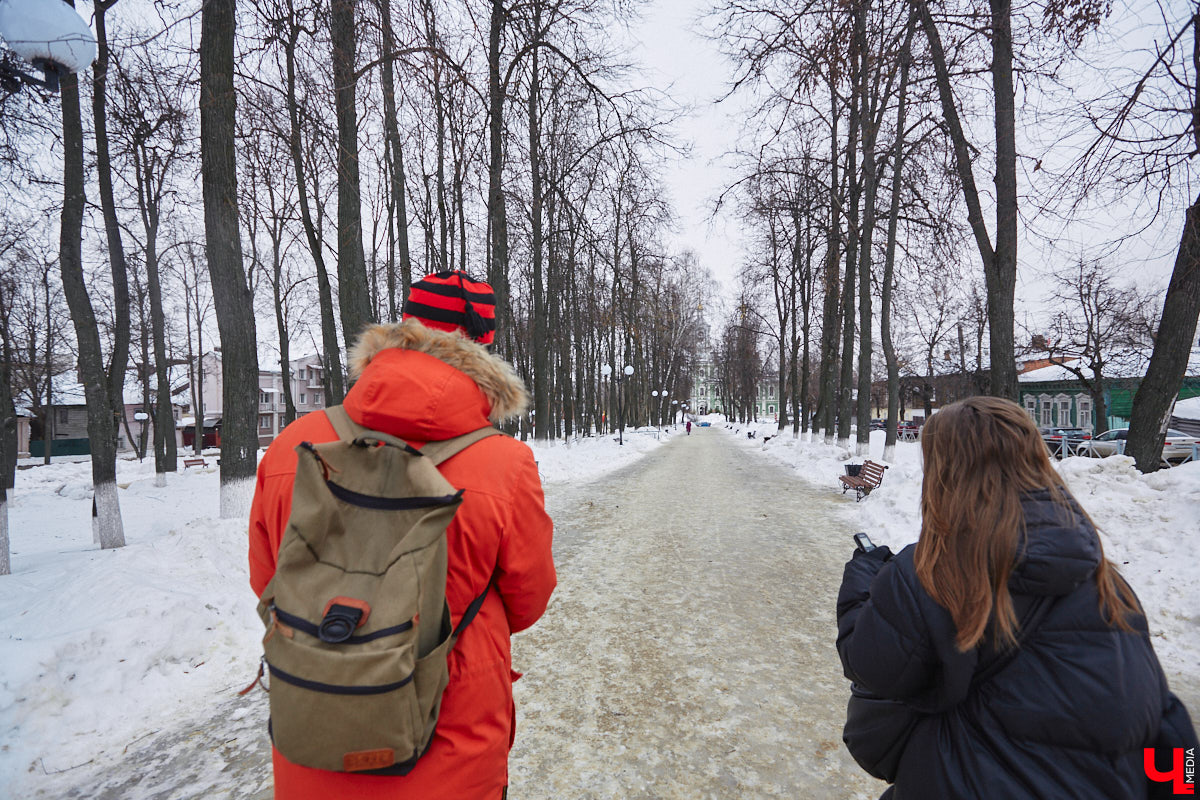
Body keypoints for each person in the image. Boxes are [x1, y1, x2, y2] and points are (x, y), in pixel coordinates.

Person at [248, 270, 557, 800]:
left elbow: (268, 579)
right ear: (483, 347)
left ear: (401, 329)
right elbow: (528, 600)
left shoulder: (293, 447)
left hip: (316, 731)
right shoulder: (505, 464)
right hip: (451, 744)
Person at [836, 396, 1197, 799]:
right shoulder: (1107, 583)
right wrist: (1187, 783)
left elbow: (868, 664)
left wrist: (862, 576)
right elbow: (1171, 733)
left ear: (945, 474)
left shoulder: (935, 573)